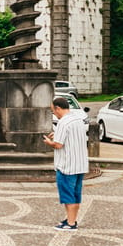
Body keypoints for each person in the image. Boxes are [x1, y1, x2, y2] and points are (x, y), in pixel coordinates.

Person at [42, 96, 89, 230]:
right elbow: (71, 138)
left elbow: (58, 145)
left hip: (66, 165)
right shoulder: (77, 119)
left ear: (58, 108)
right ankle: (71, 219)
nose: (54, 114)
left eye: (53, 111)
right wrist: (56, 133)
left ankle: (71, 224)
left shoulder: (63, 122)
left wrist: (49, 142)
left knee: (68, 195)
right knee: (75, 194)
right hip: (80, 164)